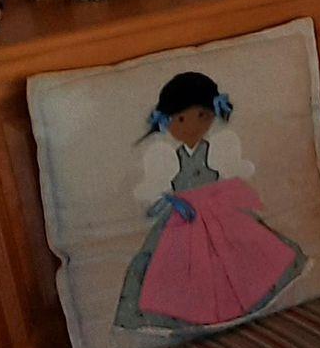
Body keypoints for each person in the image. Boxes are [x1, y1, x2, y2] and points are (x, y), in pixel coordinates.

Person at [115, 70, 307, 332]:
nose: (191, 127)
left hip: (220, 213)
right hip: (182, 220)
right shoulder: (167, 157)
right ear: (167, 122)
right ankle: (189, 315)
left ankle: (239, 306)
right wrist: (164, 195)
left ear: (213, 114)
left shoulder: (216, 149)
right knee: (177, 264)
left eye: (202, 116)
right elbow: (151, 188)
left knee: (236, 254)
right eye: (181, 119)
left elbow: (237, 170)